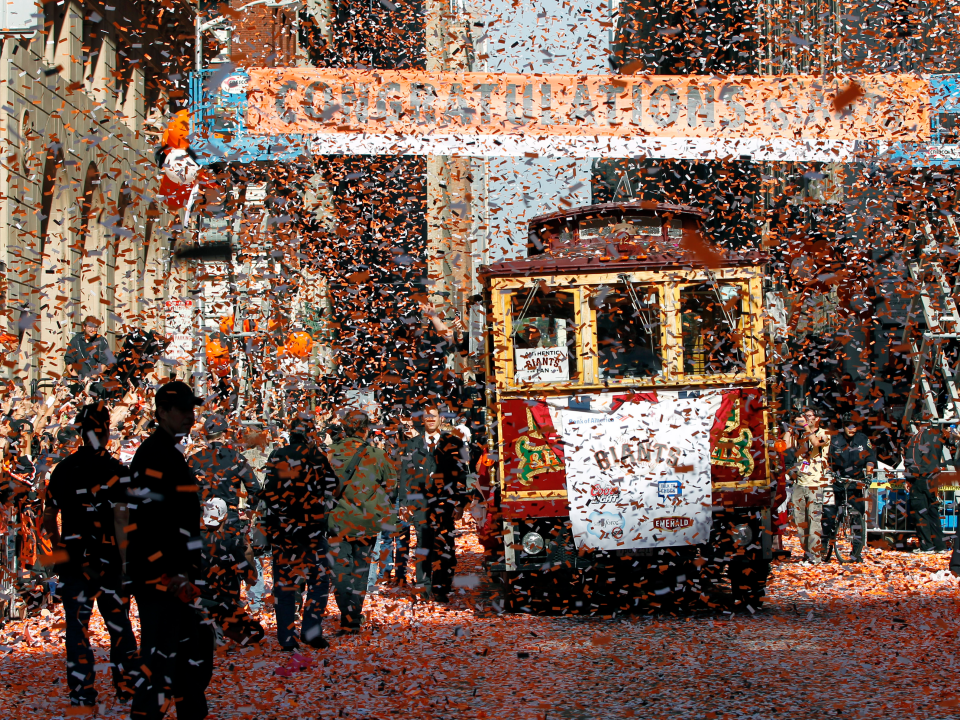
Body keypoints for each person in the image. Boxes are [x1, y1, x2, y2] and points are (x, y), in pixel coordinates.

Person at [125, 380, 212, 720]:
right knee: (162, 656)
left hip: (176, 572)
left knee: (189, 650)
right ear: (162, 412)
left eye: (193, 409)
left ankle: (191, 710)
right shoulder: (155, 455)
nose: (191, 416)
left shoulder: (169, 453)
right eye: (184, 410)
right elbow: (147, 522)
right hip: (163, 576)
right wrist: (170, 573)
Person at [41, 403, 137, 708]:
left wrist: (60, 548)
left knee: (77, 628)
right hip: (110, 563)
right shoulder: (118, 472)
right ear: (107, 433)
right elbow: (125, 521)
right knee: (119, 625)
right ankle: (126, 688)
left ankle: (81, 691)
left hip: (75, 562)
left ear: (81, 434)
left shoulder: (63, 470)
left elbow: (47, 517)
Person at [260, 414, 338, 650]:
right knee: (319, 580)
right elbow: (333, 486)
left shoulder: (276, 455)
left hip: (283, 531)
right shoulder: (316, 456)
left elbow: (267, 492)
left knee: (284, 584)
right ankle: (311, 631)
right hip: (310, 530)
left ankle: (286, 637)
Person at [328, 410, 396, 632]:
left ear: (344, 429)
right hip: (367, 522)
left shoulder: (331, 454)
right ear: (366, 430)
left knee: (340, 570)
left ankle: (347, 612)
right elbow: (391, 484)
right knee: (360, 569)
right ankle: (353, 615)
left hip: (337, 520)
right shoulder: (377, 454)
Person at [417, 406, 469, 602]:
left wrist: (461, 502)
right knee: (424, 546)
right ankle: (424, 587)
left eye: (434, 416)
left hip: (445, 504)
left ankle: (441, 589)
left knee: (445, 547)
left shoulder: (454, 442)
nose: (430, 419)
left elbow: (463, 474)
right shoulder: (414, 444)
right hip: (422, 504)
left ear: (441, 419)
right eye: (427, 416)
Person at [197, 498, 263, 646]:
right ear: (225, 517)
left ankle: (211, 626)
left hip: (199, 601)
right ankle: (218, 628)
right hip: (225, 604)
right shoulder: (231, 544)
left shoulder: (193, 541)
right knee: (254, 635)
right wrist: (248, 552)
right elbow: (252, 579)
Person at [824, 415, 875, 562]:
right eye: (848, 425)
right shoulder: (835, 439)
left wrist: (869, 475)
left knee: (857, 519)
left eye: (854, 425)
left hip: (856, 481)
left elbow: (870, 459)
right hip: (838, 481)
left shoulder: (863, 439)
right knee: (829, 515)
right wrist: (829, 470)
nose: (851, 429)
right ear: (843, 426)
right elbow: (827, 459)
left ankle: (856, 552)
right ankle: (825, 545)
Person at [791, 407, 830, 565]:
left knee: (814, 521)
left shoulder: (824, 433)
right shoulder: (800, 434)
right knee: (801, 523)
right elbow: (787, 444)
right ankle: (807, 553)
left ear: (817, 418)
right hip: (800, 482)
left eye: (809, 417)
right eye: (804, 417)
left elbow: (815, 443)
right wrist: (791, 426)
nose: (806, 419)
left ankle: (815, 557)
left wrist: (805, 426)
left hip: (816, 483)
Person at [64, 316, 115, 385]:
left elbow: (105, 364)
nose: (93, 329)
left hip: (98, 384)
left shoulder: (102, 341)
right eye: (90, 327)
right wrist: (78, 380)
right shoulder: (75, 341)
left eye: (95, 327)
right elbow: (69, 362)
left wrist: (91, 379)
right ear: (84, 326)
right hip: (79, 383)